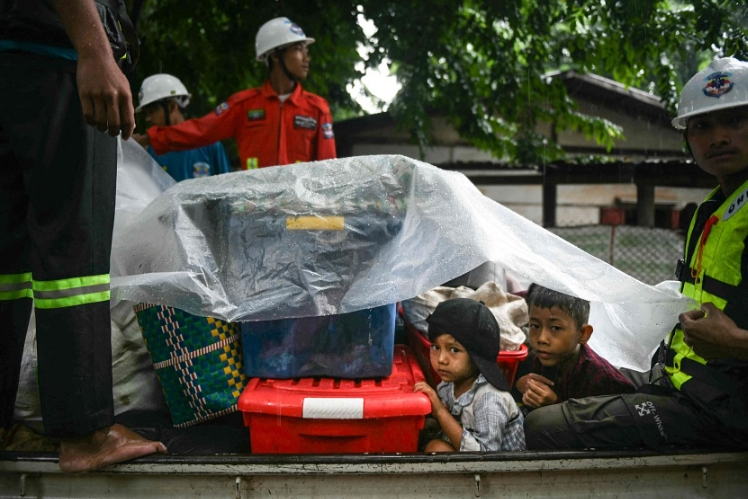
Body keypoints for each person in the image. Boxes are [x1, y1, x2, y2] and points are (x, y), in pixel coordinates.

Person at [524, 57, 748, 451]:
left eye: (735, 121)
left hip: (724, 410)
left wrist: (735, 342)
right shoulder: (716, 207)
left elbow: (728, 337)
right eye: (703, 126)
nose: (718, 137)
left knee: (542, 426)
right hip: (685, 384)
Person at [0, 0, 166, 472]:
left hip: (11, 56)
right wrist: (94, 49)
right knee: (75, 251)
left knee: (5, 263)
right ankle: (85, 431)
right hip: (54, 54)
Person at [133, 17, 336, 170]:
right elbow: (200, 130)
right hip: (256, 216)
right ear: (275, 55)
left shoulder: (317, 109)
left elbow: (329, 169)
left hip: (299, 215)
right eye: (299, 49)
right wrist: (151, 138)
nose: (306, 58)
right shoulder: (244, 105)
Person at [413, 298, 526, 452]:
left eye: (454, 350)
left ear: (476, 356)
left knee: (437, 449)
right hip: (469, 464)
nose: (441, 359)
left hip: (500, 473)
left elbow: (485, 458)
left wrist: (440, 412)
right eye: (435, 347)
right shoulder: (448, 385)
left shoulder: (489, 399)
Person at [514, 284, 635, 414]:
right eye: (535, 326)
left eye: (555, 328)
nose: (542, 339)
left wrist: (557, 406)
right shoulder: (530, 357)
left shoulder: (602, 380)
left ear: (583, 334)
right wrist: (519, 386)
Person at [135, 74, 232, 181]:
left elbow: (229, 189)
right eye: (146, 113)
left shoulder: (210, 145)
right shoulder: (152, 151)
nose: (148, 118)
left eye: (152, 111)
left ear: (172, 106)